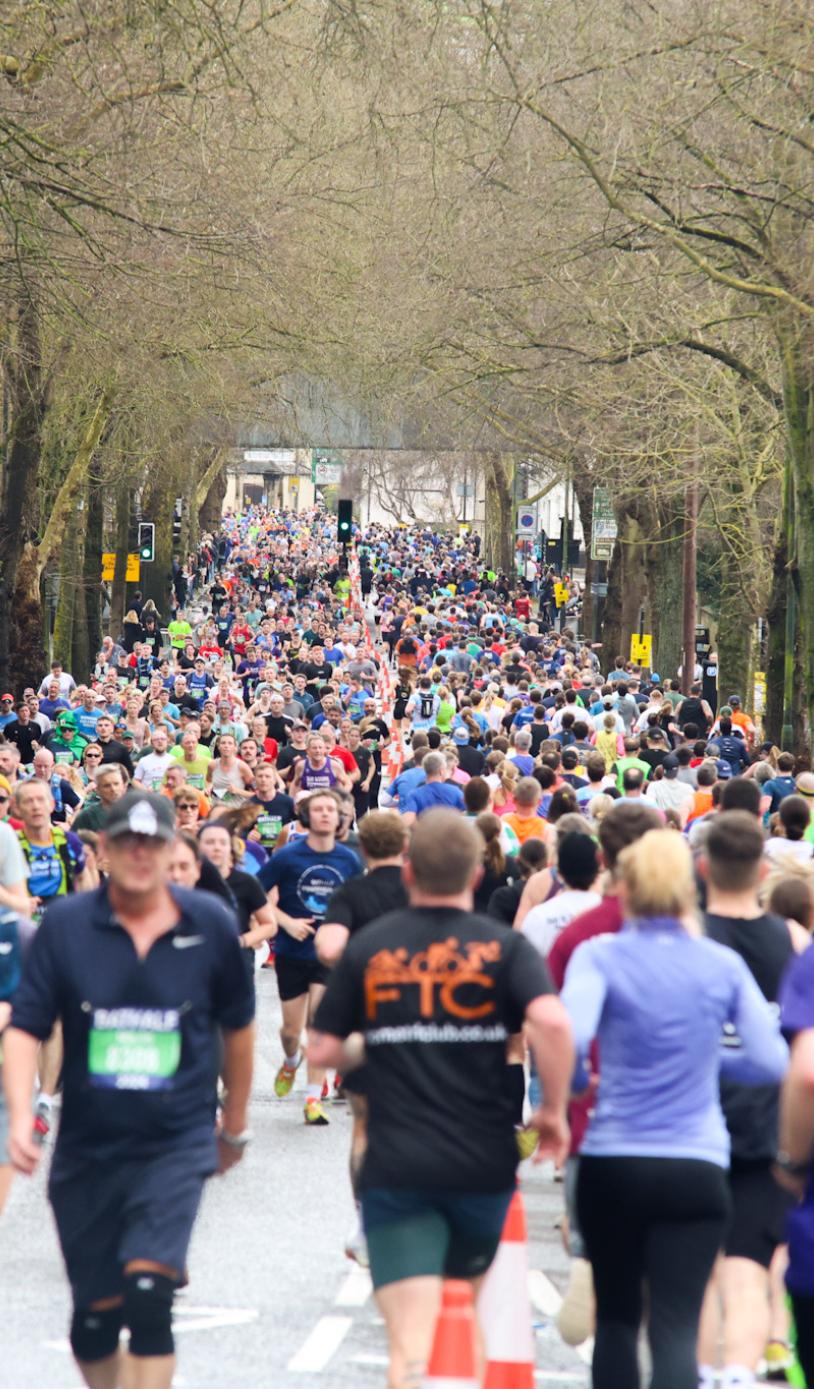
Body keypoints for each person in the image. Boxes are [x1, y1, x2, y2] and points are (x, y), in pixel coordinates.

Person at [309, 810, 574, 1389]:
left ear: (409, 873)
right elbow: (553, 1025)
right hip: (482, 1164)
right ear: (477, 875)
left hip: (397, 1161)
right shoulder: (503, 947)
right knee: (465, 1316)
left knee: (410, 1346)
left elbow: (323, 1047)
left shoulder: (372, 947)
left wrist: (375, 1043)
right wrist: (552, 1111)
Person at [3, 790, 255, 1389]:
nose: (140, 855)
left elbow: (239, 1032)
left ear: (172, 850)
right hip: (89, 1150)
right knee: (93, 1326)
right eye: (127, 843)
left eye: (153, 843)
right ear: (107, 850)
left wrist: (235, 1126)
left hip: (175, 1141)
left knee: (148, 1298)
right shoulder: (67, 924)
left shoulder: (211, 924)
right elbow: (25, 1029)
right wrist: (20, 1115)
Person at [562, 828, 788, 1389]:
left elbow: (570, 1034)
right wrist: (706, 1059)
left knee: (616, 1320)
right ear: (690, 890)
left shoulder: (599, 956)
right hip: (696, 1162)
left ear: (625, 887)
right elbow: (769, 1061)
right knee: (675, 1327)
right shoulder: (720, 964)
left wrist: (579, 1078)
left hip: (614, 1156)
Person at [698, 811, 806, 1389]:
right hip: (765, 1124)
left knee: (693, 1272)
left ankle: (693, 1370)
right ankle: (738, 1371)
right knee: (747, 1267)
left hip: (689, 1122)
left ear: (703, 867)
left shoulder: (687, 935)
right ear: (761, 869)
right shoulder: (792, 941)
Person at [259, 789, 362, 1125]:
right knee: (292, 1031)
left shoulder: (349, 861)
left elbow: (357, 905)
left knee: (319, 1026)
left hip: (328, 956)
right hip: (292, 952)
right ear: (306, 816)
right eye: (318, 809)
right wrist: (286, 922)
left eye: (331, 809)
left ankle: (312, 1099)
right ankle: (291, 1061)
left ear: (340, 817)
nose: (325, 814)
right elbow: (256, 895)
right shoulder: (288, 856)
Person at [400, 749, 465, 824]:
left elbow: (408, 821)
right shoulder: (456, 792)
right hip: (448, 833)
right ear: (441, 771)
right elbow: (466, 815)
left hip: (423, 833)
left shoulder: (414, 794)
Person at [72, 763, 128, 832]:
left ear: (123, 786)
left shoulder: (134, 811)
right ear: (98, 789)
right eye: (107, 785)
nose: (113, 789)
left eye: (116, 784)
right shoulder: (88, 816)